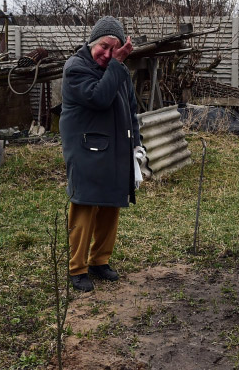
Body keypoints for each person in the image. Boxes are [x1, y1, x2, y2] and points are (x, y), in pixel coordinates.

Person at [60, 16, 145, 292]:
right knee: (84, 205)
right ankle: (77, 268)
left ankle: (99, 261)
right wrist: (117, 65)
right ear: (92, 42)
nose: (107, 55)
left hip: (116, 148)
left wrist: (137, 145)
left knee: (111, 204)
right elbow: (98, 98)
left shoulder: (117, 71)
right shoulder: (76, 68)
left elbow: (131, 109)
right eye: (104, 48)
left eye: (114, 49)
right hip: (85, 149)